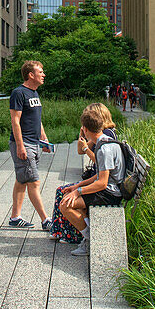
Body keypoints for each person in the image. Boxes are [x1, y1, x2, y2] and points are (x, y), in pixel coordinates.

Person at [59, 104, 127, 256]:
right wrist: (78, 186)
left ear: (85, 129)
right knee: (74, 201)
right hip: (110, 189)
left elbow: (102, 182)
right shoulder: (105, 141)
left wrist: (78, 192)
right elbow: (99, 176)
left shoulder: (104, 149)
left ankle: (90, 238)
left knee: (65, 204)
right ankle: (89, 236)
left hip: (110, 193)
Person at [49, 103, 116, 244]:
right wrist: (83, 135)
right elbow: (80, 150)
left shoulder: (106, 136)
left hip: (105, 187)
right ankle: (63, 231)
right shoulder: (99, 135)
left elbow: (99, 163)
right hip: (99, 179)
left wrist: (79, 189)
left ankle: (76, 235)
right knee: (64, 192)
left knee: (65, 196)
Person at [8, 60, 52, 230]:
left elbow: (36, 120)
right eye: (40, 72)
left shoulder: (35, 94)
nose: (43, 74)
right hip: (24, 143)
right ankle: (46, 220)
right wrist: (20, 146)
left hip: (34, 143)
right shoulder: (19, 93)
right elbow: (15, 121)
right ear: (30, 75)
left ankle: (15, 217)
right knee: (33, 182)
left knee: (22, 180)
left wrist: (44, 139)